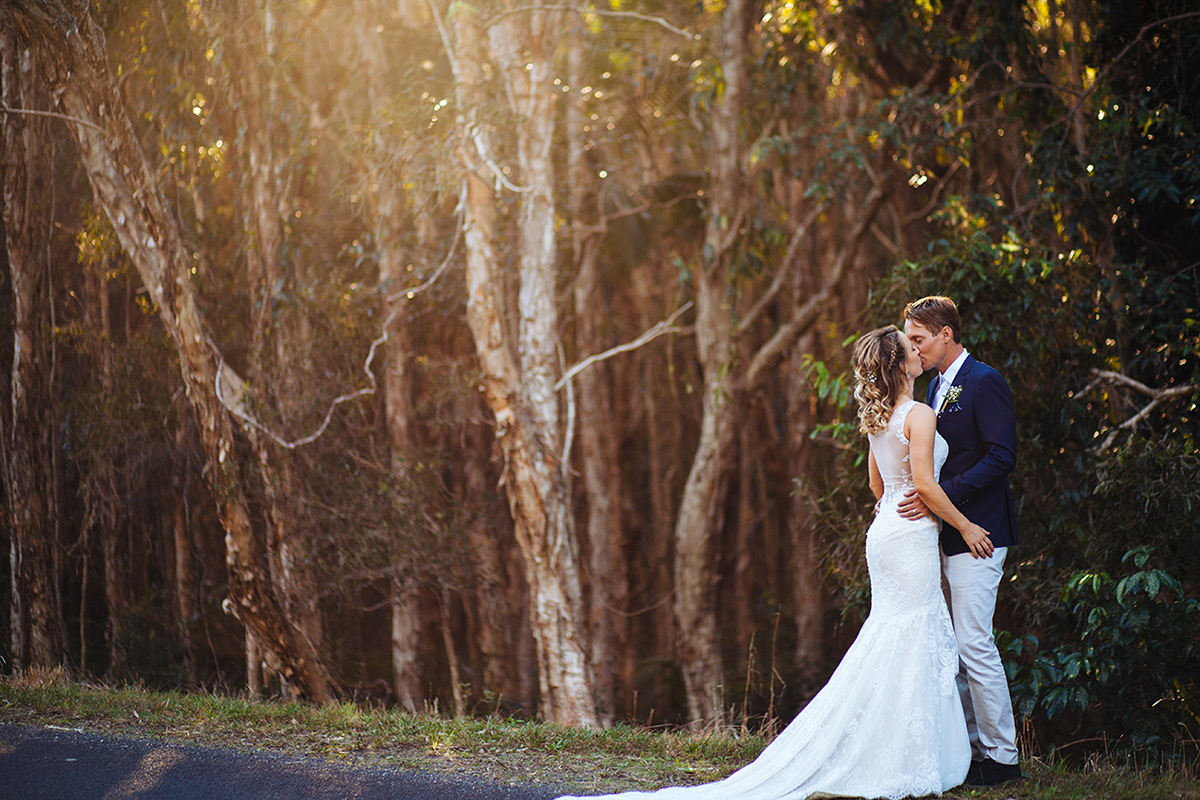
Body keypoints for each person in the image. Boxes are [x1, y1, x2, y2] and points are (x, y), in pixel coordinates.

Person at [555, 325, 984, 800]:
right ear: (900, 364)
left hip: (885, 533)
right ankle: (907, 755)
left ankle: (891, 747)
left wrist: (906, 499)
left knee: (892, 634)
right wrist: (965, 526)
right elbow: (922, 483)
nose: (916, 350)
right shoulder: (920, 413)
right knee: (910, 632)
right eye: (909, 347)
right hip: (909, 537)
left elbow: (878, 489)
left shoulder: (881, 417)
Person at [898, 296, 1022, 787]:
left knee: (975, 643)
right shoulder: (931, 387)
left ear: (946, 334)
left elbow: (1002, 456)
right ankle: (969, 751)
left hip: (980, 534)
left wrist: (940, 496)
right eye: (910, 340)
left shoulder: (985, 381)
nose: (914, 348)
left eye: (919, 339)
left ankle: (1003, 758)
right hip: (941, 534)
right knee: (952, 647)